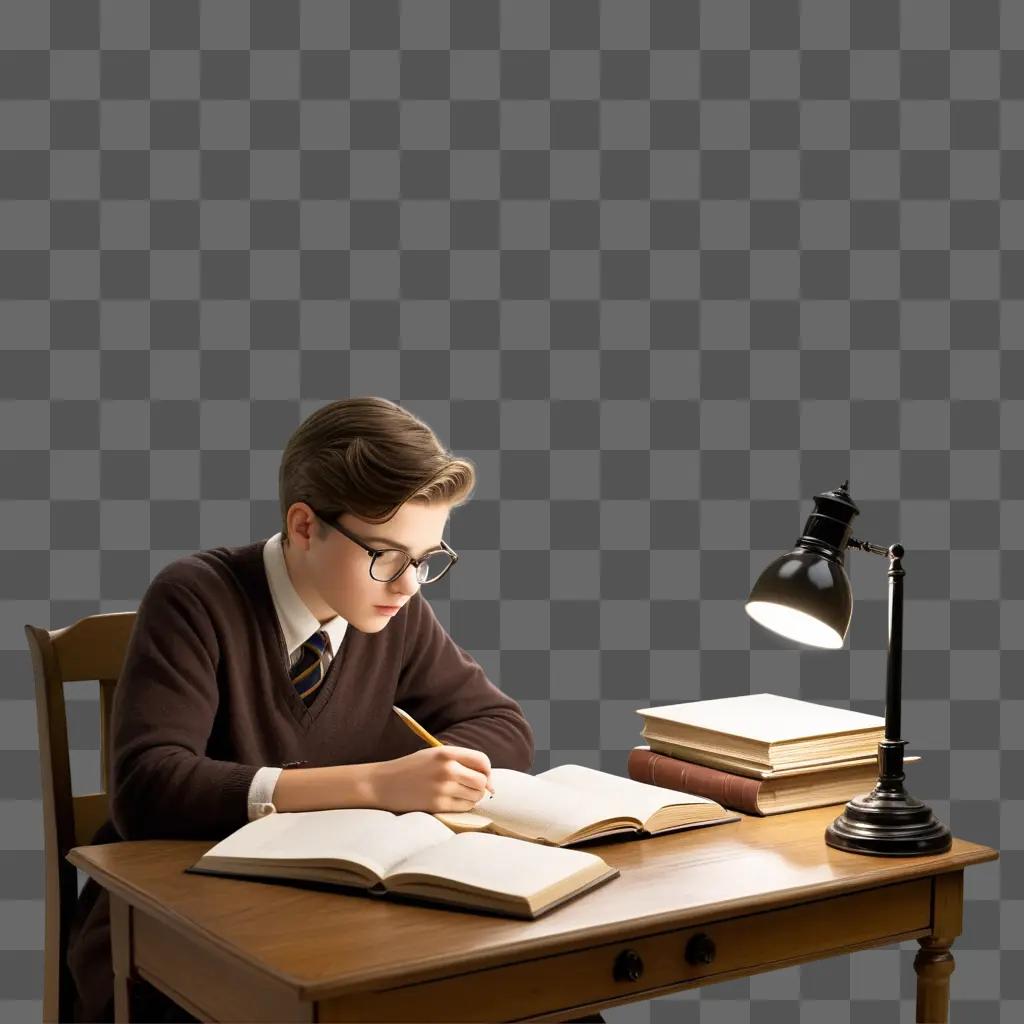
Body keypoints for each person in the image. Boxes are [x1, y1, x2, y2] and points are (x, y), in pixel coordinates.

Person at [66, 396, 535, 1022]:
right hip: (169, 925)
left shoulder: (396, 613)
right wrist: (376, 784)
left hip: (339, 912)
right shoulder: (196, 597)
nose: (408, 584)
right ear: (305, 526)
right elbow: (147, 787)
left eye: (425, 561)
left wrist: (425, 780)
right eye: (385, 555)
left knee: (534, 993)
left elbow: (503, 727)